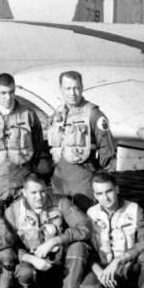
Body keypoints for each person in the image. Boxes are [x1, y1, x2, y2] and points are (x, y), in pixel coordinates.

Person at [5, 174, 91, 288]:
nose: (39, 197)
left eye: (43, 191)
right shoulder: (13, 212)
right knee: (24, 272)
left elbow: (85, 227)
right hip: (32, 260)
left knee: (79, 246)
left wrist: (55, 240)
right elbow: (10, 245)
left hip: (59, 258)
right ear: (24, 192)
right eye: (33, 193)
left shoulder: (61, 202)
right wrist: (31, 259)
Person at [0, 73, 49, 210]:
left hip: (22, 181)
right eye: (3, 93)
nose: (8, 97)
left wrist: (28, 168)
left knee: (22, 222)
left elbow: (38, 144)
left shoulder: (28, 114)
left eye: (11, 92)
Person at [47, 71, 116, 210]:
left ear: (82, 87)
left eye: (76, 88)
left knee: (86, 220)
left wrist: (103, 182)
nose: (72, 93)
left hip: (83, 180)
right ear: (60, 89)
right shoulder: (57, 114)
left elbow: (106, 149)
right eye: (67, 88)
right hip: (59, 181)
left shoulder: (93, 114)